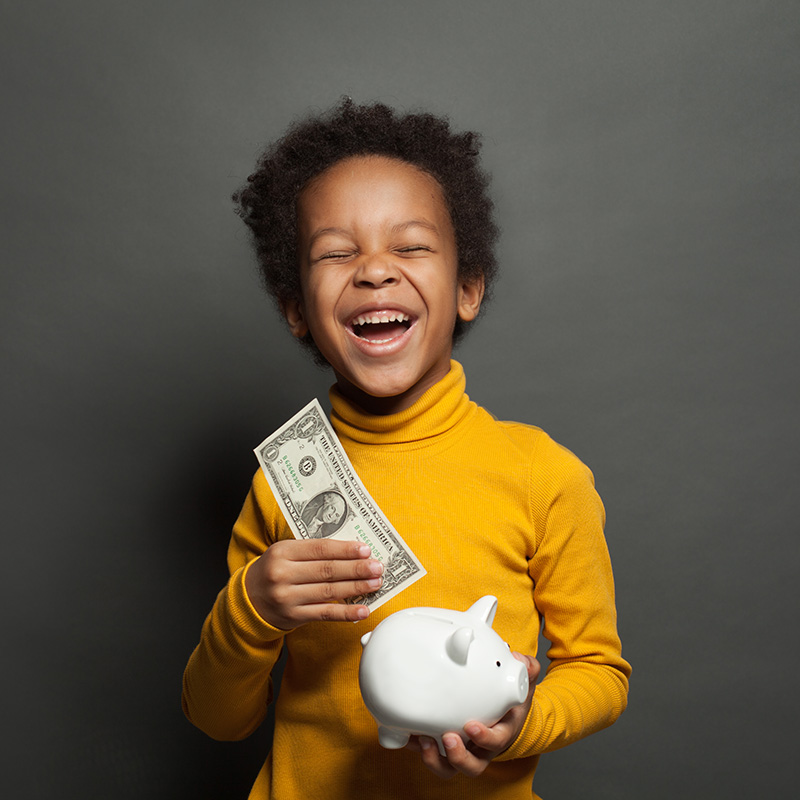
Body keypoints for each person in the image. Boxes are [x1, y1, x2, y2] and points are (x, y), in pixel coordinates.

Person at [182, 99, 631, 799]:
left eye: (411, 246)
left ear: (467, 289)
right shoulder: (279, 486)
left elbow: (599, 672)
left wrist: (523, 722)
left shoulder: (543, 473)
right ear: (297, 309)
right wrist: (252, 608)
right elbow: (217, 719)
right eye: (336, 252)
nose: (374, 271)